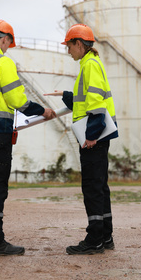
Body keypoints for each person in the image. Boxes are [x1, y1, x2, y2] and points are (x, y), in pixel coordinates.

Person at [0, 19, 56, 256]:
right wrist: (41, 111)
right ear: (5, 40)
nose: (7, 48)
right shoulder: (2, 62)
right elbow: (17, 99)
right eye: (8, 44)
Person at [45, 23, 118, 255]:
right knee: (99, 187)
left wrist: (91, 136)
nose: (67, 51)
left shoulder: (90, 66)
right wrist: (67, 95)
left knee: (92, 188)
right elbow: (86, 99)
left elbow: (96, 104)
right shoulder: (90, 65)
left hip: (93, 138)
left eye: (69, 46)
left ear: (79, 44)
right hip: (96, 136)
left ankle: (94, 239)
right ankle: (105, 236)